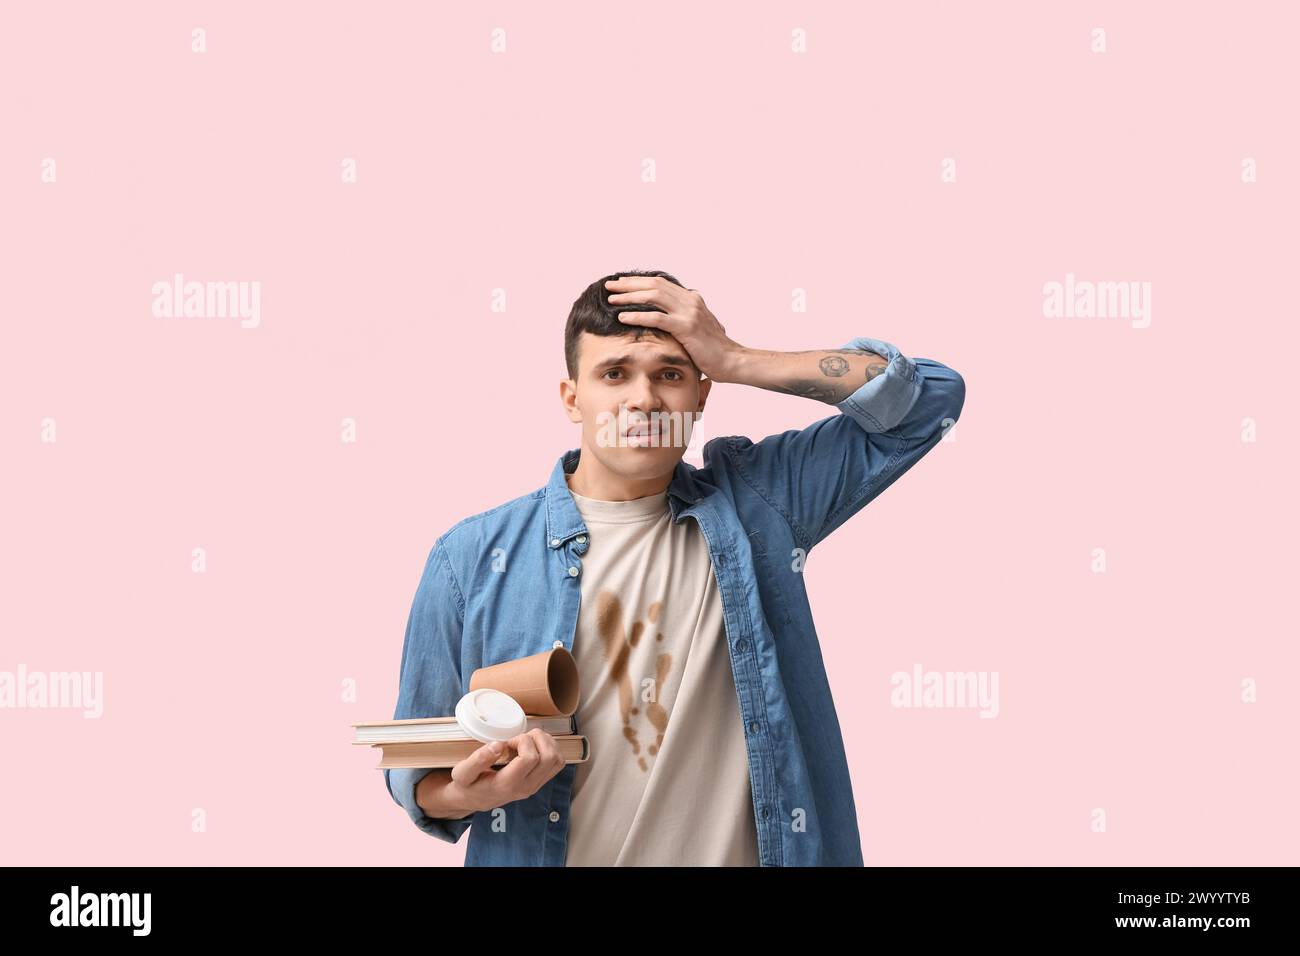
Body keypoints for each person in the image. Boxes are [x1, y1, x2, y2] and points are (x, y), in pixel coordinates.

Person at [384, 269, 965, 866]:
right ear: (571, 398)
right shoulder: (471, 557)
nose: (644, 398)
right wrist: (470, 792)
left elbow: (929, 399)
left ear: (702, 396)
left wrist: (736, 358)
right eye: (614, 374)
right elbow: (420, 768)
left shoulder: (761, 506)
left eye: (671, 374)